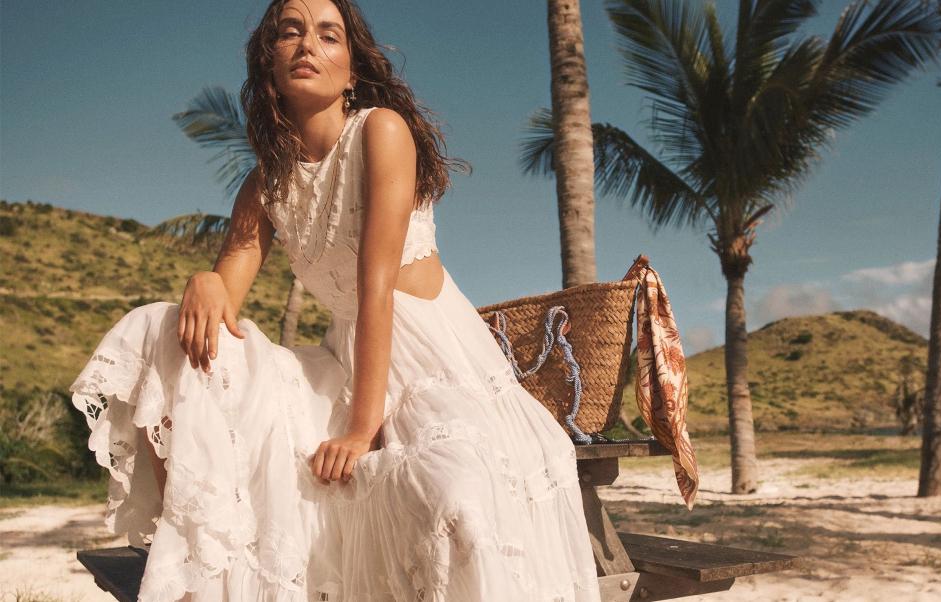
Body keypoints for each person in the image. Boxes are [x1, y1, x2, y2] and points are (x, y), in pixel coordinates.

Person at [69, 0, 602, 599]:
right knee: (161, 328)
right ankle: (195, 559)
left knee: (455, 497)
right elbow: (224, 305)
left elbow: (375, 289)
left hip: (434, 365)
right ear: (268, 64)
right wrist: (207, 280)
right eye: (290, 32)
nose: (306, 45)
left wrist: (361, 428)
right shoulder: (266, 181)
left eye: (328, 35)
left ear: (351, 69)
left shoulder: (381, 130)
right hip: (348, 358)